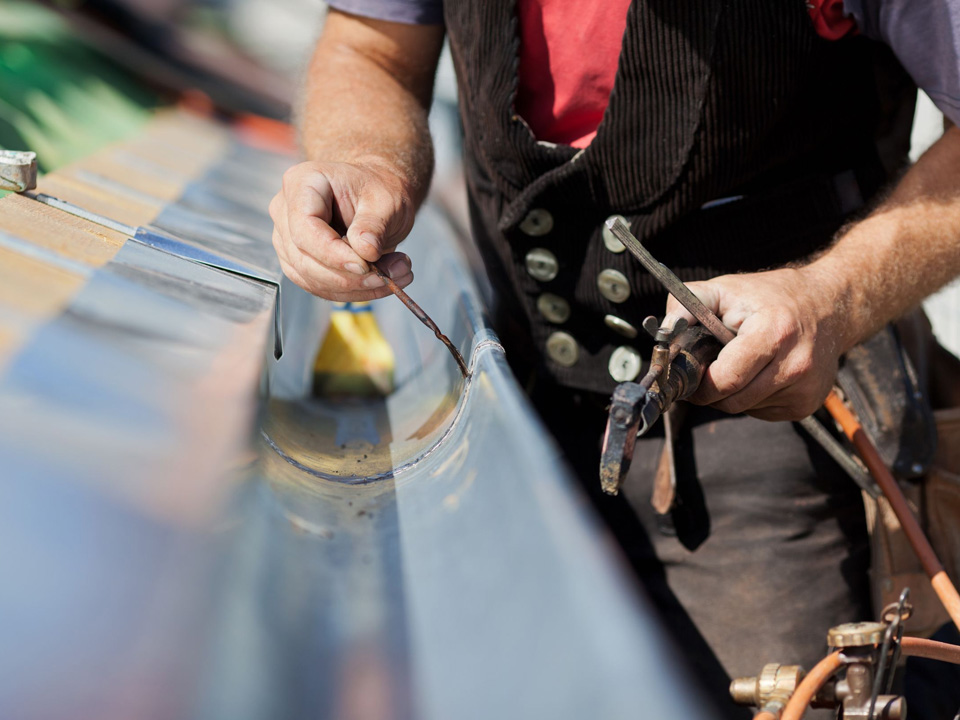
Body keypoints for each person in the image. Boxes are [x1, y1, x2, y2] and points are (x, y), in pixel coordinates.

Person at [270, 1, 960, 716]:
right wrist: (365, 159)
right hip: (509, 416)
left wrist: (831, 296)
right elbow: (370, 51)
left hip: (778, 438)